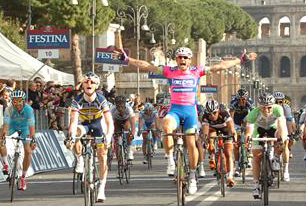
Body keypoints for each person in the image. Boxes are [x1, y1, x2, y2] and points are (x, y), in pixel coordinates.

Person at [116, 46, 256, 195]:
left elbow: (219, 66)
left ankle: (193, 176)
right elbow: (147, 66)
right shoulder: (169, 71)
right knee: (166, 126)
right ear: (176, 59)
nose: (182, 60)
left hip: (190, 113)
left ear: (189, 60)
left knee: (191, 144)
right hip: (175, 110)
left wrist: (239, 60)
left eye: (185, 57)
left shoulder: (197, 71)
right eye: (179, 57)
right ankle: (170, 161)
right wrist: (128, 59)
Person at [68, 72, 114, 202]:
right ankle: (80, 159)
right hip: (84, 124)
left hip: (99, 125)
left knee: (102, 155)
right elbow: (73, 121)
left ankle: (101, 188)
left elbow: (109, 122)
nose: (89, 84)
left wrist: (109, 136)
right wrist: (71, 136)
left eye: (92, 82)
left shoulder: (101, 99)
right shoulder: (77, 100)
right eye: (86, 82)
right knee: (76, 132)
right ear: (82, 84)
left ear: (96, 85)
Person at [246, 93, 289, 199]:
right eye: (263, 108)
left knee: (282, 138)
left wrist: (282, 138)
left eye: (269, 107)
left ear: (273, 105)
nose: (266, 110)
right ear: (259, 106)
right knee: (256, 157)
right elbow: (249, 129)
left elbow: (281, 125)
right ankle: (256, 186)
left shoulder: (278, 109)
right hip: (259, 130)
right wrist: (248, 139)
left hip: (273, 129)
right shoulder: (254, 112)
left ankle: (275, 158)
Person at [0, 90, 36, 191]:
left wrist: (33, 139)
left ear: (23, 101)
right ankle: (5, 164)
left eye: (19, 101)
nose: (17, 104)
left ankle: (23, 177)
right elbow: (6, 125)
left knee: (28, 151)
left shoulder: (29, 110)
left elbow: (31, 126)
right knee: (0, 132)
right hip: (12, 126)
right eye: (14, 101)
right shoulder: (8, 109)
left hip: (25, 128)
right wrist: (4, 137)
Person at [201, 99, 236, 187]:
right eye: (209, 114)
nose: (212, 116)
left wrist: (232, 136)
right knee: (210, 139)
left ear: (218, 111)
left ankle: (230, 176)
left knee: (228, 152)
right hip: (213, 129)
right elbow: (205, 132)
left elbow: (231, 127)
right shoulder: (205, 116)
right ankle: (213, 156)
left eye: (214, 113)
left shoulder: (224, 113)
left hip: (225, 129)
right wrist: (205, 141)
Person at [110, 95, 137, 161]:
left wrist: (132, 135)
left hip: (126, 119)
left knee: (127, 127)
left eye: (122, 105)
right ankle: (118, 148)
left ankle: (129, 151)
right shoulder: (112, 109)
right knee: (115, 132)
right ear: (115, 104)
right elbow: (110, 123)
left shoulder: (129, 109)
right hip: (117, 120)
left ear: (125, 104)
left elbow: (133, 124)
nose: (120, 108)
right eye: (118, 105)